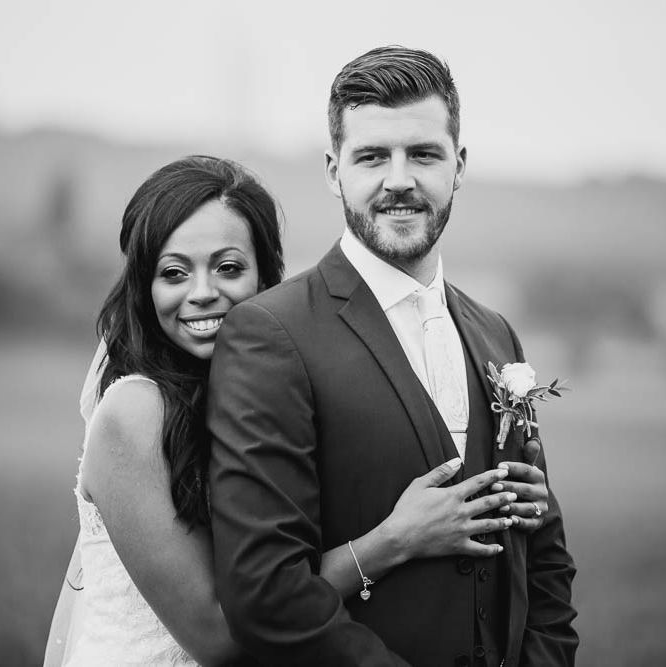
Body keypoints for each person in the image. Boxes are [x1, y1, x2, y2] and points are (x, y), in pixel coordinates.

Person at [44, 155, 519, 666]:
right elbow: (217, 635)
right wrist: (393, 541)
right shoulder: (134, 412)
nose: (202, 294)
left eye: (228, 268)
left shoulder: (271, 393)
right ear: (145, 285)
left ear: (265, 274)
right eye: (174, 273)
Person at [207, 47, 578, 666]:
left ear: (458, 165)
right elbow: (266, 594)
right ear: (334, 170)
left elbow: (542, 555)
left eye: (423, 154)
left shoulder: (496, 335)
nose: (399, 178)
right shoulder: (270, 334)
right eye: (373, 155)